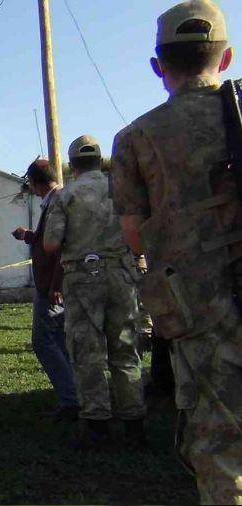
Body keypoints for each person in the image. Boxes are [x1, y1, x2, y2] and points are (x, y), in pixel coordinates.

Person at [110, 1, 241, 501]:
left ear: (158, 66)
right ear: (225, 58)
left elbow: (136, 235)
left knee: (219, 448)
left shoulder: (137, 137)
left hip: (199, 307)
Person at [43, 135, 146, 449]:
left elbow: (50, 243)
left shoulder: (66, 195)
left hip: (83, 277)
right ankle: (134, 425)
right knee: (126, 349)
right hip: (122, 273)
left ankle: (97, 424)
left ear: (72, 165)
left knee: (88, 352)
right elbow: (139, 234)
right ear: (100, 160)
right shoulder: (121, 187)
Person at [12, 159, 79, 422]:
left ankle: (71, 399)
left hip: (52, 286)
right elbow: (50, 240)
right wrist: (30, 236)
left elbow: (63, 247)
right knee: (60, 342)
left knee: (43, 342)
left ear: (34, 181)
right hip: (52, 283)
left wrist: (55, 286)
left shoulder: (57, 202)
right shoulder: (55, 200)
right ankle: (75, 393)